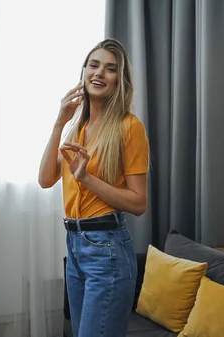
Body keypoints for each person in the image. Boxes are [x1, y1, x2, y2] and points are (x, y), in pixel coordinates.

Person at [38, 38, 150, 337]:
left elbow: (139, 203)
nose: (100, 73)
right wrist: (59, 122)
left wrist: (87, 178)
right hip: (75, 246)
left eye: (110, 69)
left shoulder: (129, 127)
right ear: (84, 72)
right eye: (94, 65)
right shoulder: (77, 127)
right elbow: (45, 179)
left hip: (107, 249)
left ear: (119, 80)